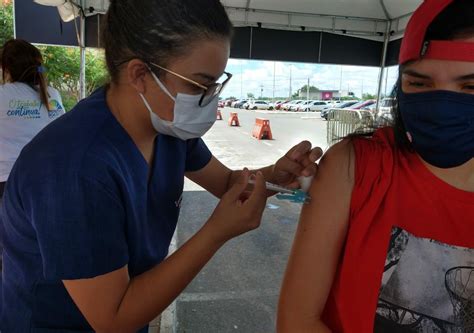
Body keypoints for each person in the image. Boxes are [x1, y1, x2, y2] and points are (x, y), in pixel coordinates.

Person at [0, 0, 321, 332]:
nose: (209, 99)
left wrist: (273, 176)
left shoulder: (168, 128)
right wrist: (215, 232)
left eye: (215, 85)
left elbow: (227, 183)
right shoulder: (74, 166)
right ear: (140, 74)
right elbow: (113, 319)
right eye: (198, 86)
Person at [278, 0, 474, 332]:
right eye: (419, 83)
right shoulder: (358, 165)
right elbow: (297, 320)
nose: (442, 108)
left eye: (470, 86)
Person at [0, 39, 65, 201]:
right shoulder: (52, 94)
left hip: (8, 181)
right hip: (48, 179)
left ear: (6, 68)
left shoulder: (2, 95)